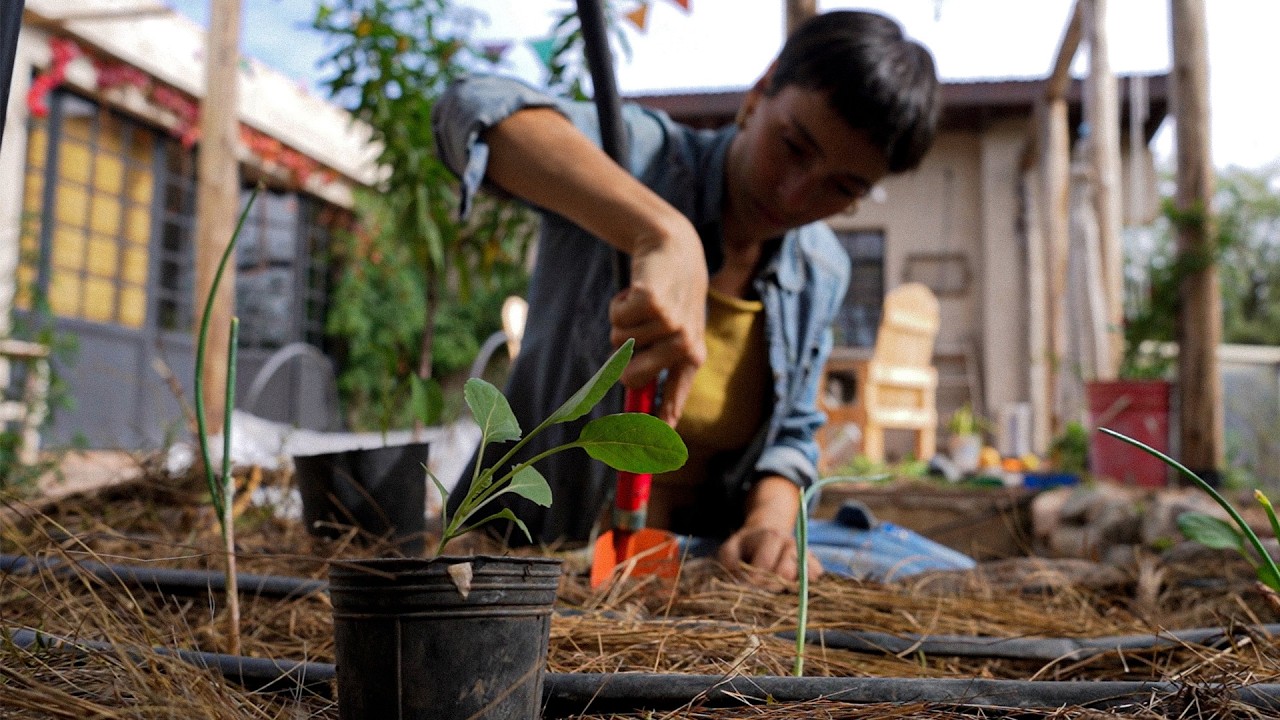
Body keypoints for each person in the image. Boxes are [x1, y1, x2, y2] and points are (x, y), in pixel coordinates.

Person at [433, 10, 939, 581]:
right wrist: (656, 229)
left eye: (842, 187)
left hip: (698, 564)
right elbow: (470, 108)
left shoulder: (822, 270)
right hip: (545, 550)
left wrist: (770, 525)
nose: (798, 192)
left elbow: (792, 436)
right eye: (794, 146)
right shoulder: (642, 158)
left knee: (931, 568)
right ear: (759, 92)